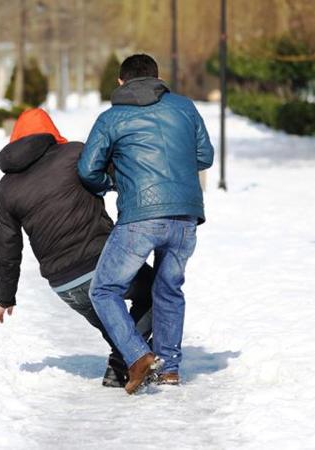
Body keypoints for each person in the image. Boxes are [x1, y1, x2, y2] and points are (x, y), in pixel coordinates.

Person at [78, 54, 214, 394]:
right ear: (157, 78)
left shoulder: (111, 118)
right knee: (169, 289)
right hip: (186, 215)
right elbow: (205, 156)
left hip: (140, 216)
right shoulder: (184, 107)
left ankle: (137, 355)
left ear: (121, 82)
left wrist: (112, 181)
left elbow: (87, 169)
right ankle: (168, 368)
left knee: (104, 289)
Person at [0, 108, 154, 388]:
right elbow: (118, 175)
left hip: (64, 283)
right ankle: (123, 360)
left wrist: (6, 297)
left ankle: (122, 364)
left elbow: (6, 246)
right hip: (104, 262)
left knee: (116, 328)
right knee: (157, 291)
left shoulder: (6, 187)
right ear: (51, 132)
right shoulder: (75, 154)